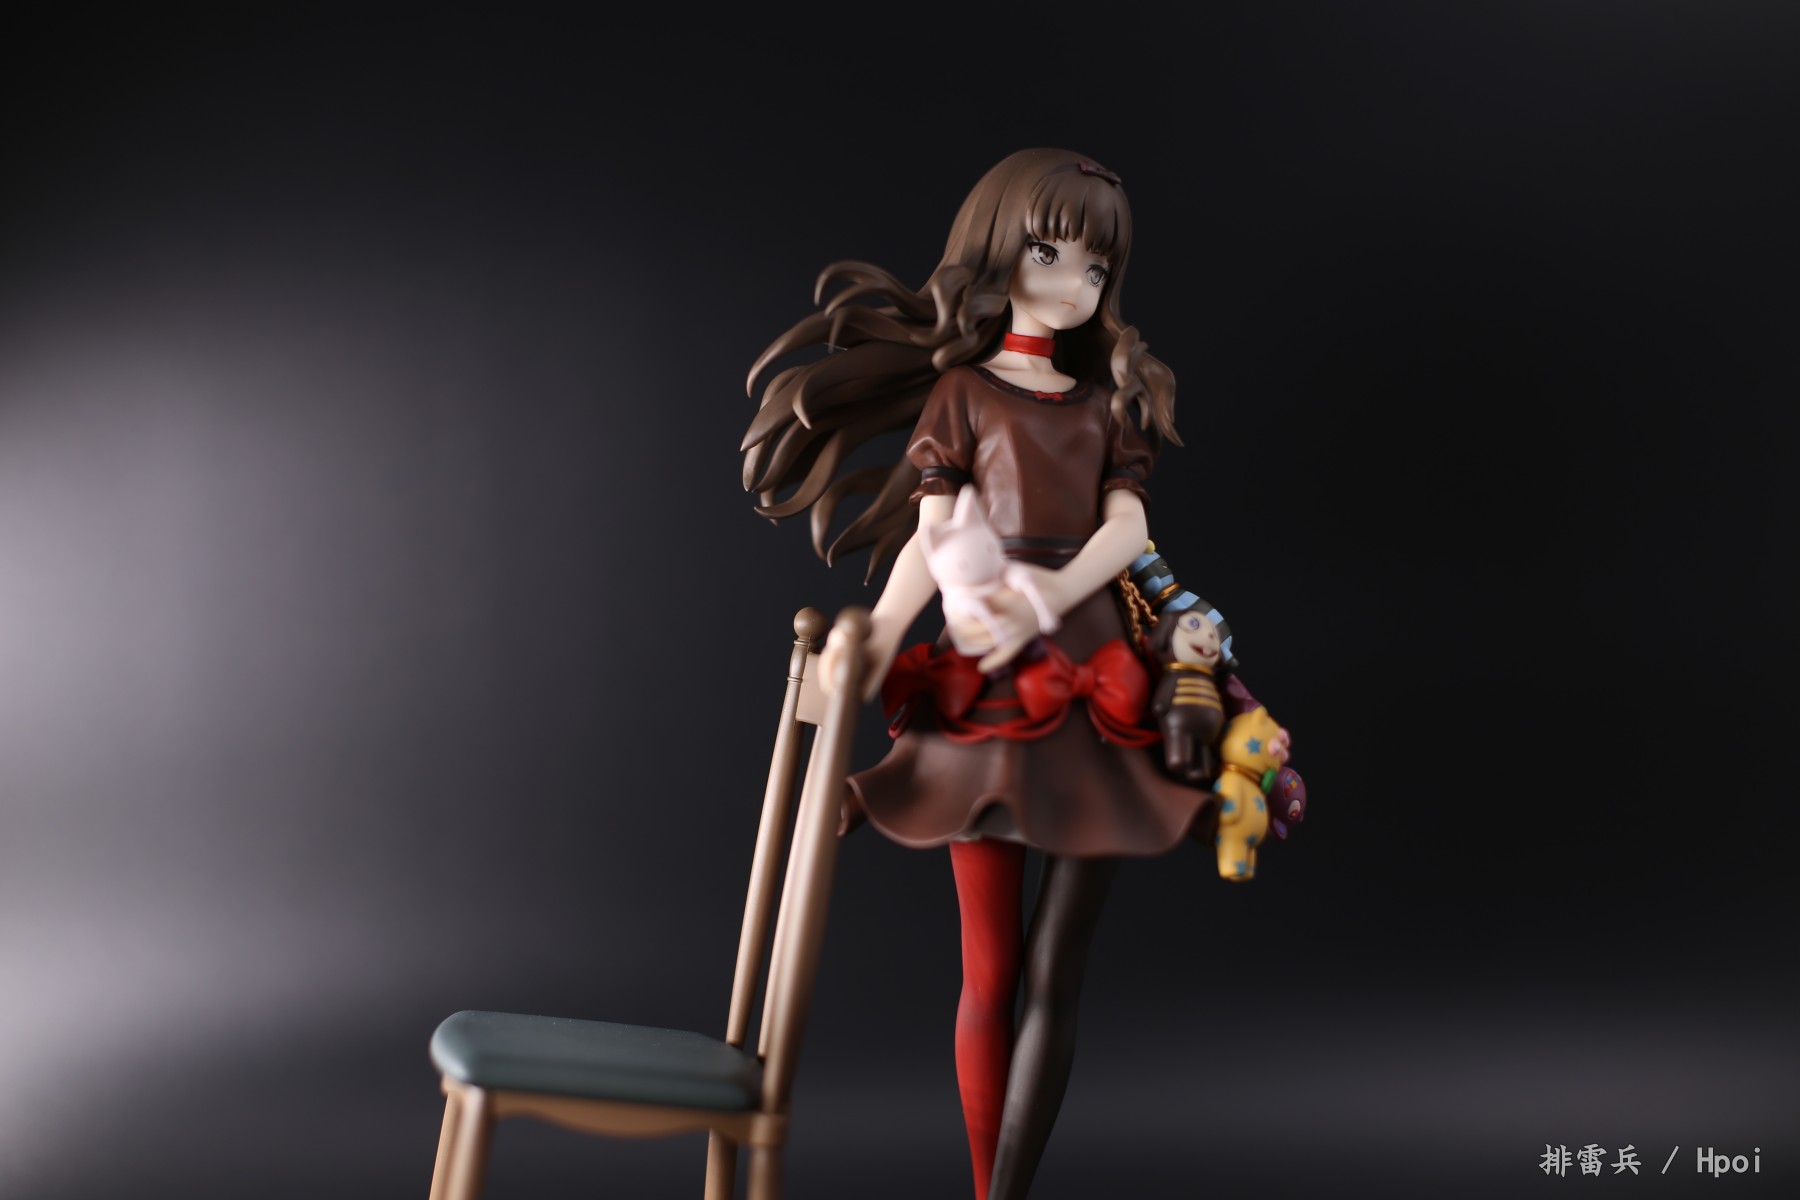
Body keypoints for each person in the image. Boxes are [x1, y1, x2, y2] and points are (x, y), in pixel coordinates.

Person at [743, 148, 1227, 1200]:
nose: (1073, 283)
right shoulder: (963, 393)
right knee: (991, 971)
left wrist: (1047, 596)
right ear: (1001, 249)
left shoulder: (1105, 404)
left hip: (1093, 672)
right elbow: (934, 537)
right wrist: (877, 640)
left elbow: (1127, 532)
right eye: (1051, 253)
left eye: (1096, 267)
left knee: (1057, 970)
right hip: (989, 677)